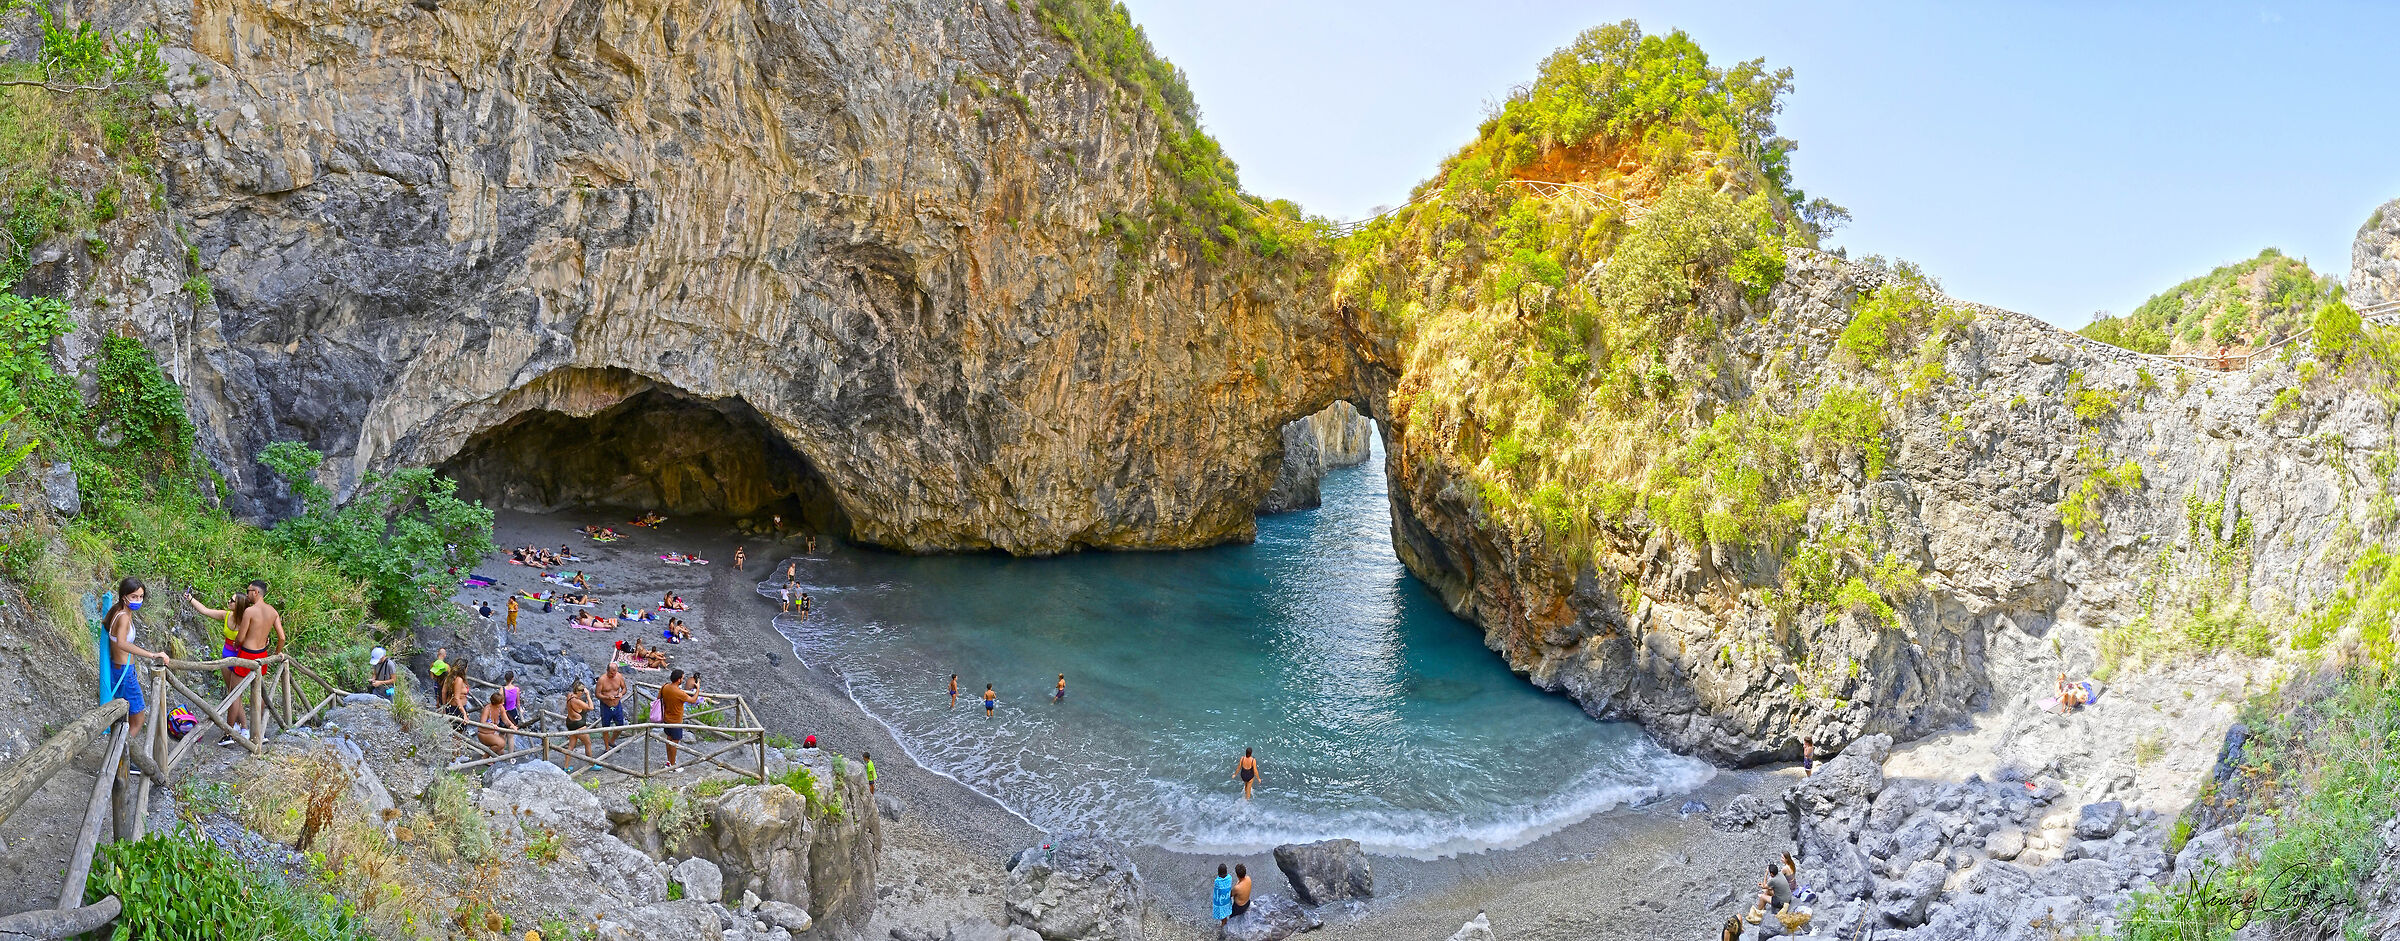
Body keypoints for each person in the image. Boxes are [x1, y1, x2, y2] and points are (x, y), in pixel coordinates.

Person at [188, 579, 284, 745]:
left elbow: (241, 637)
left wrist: (237, 644)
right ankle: (259, 731)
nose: (247, 594)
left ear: (256, 592)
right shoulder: (273, 611)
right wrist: (277, 653)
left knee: (234, 694)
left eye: (248, 591)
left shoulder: (250, 612)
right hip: (262, 656)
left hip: (246, 655)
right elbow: (281, 637)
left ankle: (229, 733)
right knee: (258, 693)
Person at [103, 578, 172, 743]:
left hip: (121, 669)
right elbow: (121, 643)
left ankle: (120, 756)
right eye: (134, 597)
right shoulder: (123, 617)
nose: (138, 601)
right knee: (139, 718)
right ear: (124, 596)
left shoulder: (121, 612)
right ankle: (120, 756)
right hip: (124, 672)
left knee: (125, 717)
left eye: (141, 597)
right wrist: (152, 654)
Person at [660, 669, 697, 768]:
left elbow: (659, 697)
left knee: (668, 740)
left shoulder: (665, 686)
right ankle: (672, 765)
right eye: (683, 678)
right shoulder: (679, 693)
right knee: (674, 743)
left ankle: (669, 762)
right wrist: (697, 689)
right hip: (676, 721)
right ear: (679, 680)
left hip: (666, 719)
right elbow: (693, 700)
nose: (683, 680)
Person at [597, 662, 629, 748]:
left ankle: (612, 740)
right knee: (606, 727)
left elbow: (624, 688)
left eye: (615, 672)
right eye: (611, 673)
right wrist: (607, 697)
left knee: (620, 725)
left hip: (617, 705)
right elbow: (597, 694)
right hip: (606, 706)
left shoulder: (619, 676)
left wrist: (621, 693)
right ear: (607, 671)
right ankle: (607, 747)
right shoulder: (602, 680)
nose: (613, 675)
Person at [564, 682, 595, 767]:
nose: (583, 693)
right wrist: (588, 695)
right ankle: (591, 764)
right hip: (579, 725)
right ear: (579, 692)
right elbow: (591, 707)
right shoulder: (577, 702)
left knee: (571, 745)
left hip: (570, 723)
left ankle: (566, 767)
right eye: (582, 692)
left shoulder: (569, 695)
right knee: (588, 743)